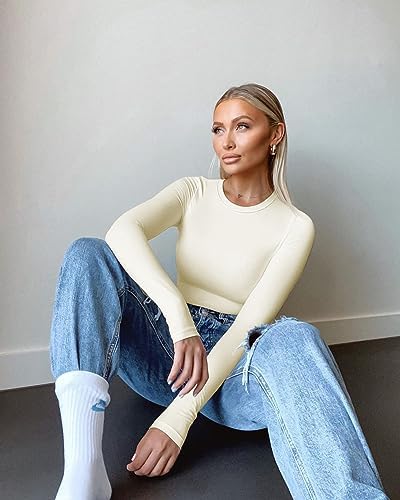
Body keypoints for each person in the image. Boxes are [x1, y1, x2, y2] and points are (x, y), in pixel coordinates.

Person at [49, 83, 389, 499]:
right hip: (169, 353)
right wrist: (179, 319)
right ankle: (82, 473)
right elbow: (122, 230)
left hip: (233, 375)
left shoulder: (296, 226)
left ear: (275, 134)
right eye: (217, 129)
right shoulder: (192, 192)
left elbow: (249, 324)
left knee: (294, 335)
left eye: (241, 127)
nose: (226, 142)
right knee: (87, 253)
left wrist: (176, 421)